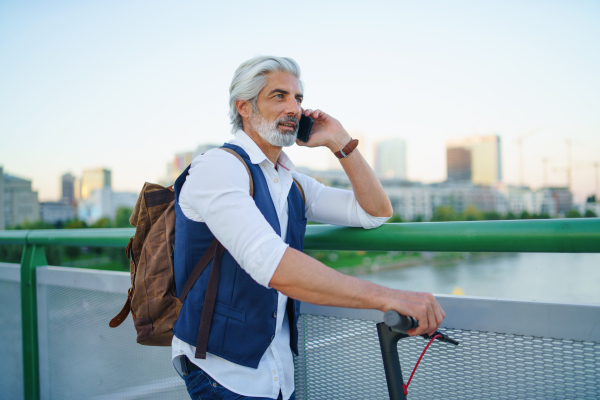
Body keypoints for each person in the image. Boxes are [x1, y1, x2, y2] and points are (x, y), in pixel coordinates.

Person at [171, 55, 445, 400]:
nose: (294, 109)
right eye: (279, 96)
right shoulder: (218, 168)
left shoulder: (293, 182)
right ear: (244, 107)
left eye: (298, 99)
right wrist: (387, 296)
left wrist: (340, 142)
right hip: (221, 374)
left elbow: (375, 212)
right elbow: (268, 262)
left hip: (278, 373)